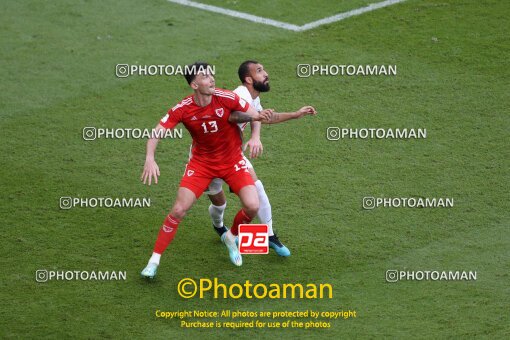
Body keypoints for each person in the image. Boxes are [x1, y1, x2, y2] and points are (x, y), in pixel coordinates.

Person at [140, 62, 316, 279]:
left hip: (232, 159)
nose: (212, 78)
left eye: (211, 74)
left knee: (254, 200)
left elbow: (257, 115)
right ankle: (158, 259)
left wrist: (273, 124)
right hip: (202, 163)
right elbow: (158, 131)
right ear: (194, 84)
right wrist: (150, 158)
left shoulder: (235, 96)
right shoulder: (198, 104)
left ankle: (253, 236)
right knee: (204, 205)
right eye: (205, 76)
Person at [206, 60, 302, 257]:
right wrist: (254, 118)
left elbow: (261, 116)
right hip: (208, 157)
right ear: (248, 79)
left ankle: (268, 234)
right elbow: (233, 116)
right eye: (260, 71)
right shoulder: (240, 95)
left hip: (232, 155)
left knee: (257, 188)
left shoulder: (253, 97)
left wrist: (294, 115)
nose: (266, 73)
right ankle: (220, 228)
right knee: (219, 203)